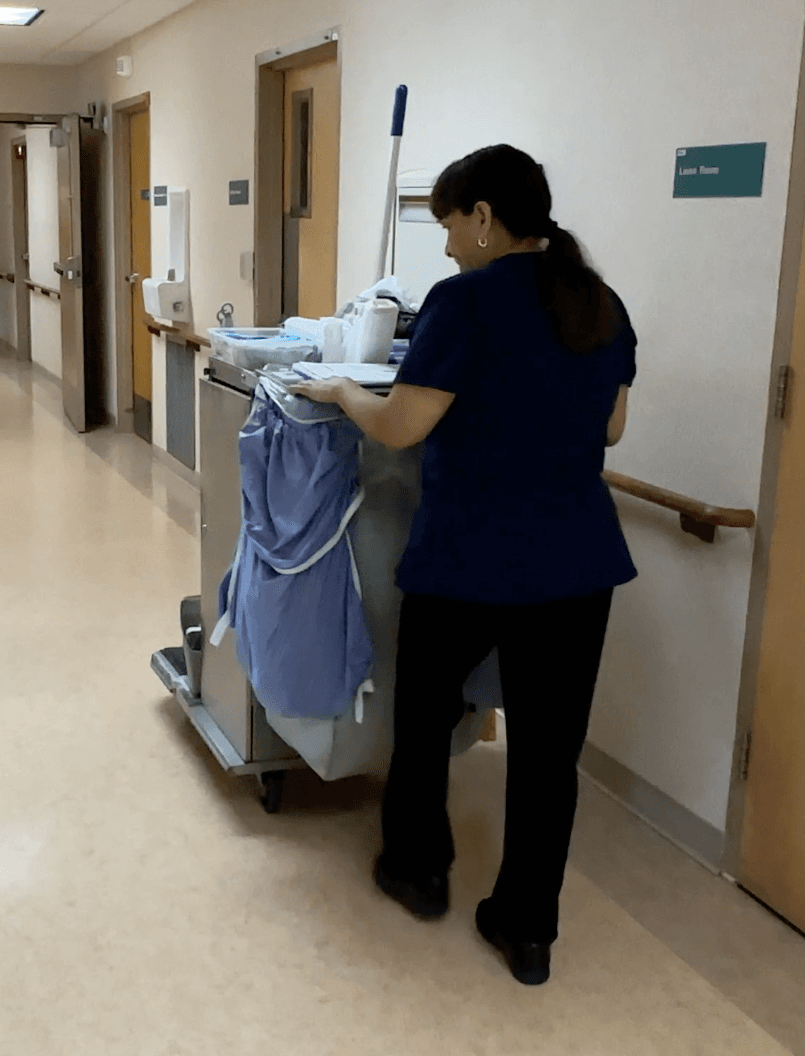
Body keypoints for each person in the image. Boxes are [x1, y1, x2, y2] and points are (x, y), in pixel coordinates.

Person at [290, 144, 637, 986]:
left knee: (423, 716)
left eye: (448, 223)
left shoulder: (466, 301)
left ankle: (417, 869)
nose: (445, 243)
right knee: (550, 756)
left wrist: (342, 393)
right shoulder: (600, 302)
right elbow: (614, 430)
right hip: (577, 563)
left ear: (484, 218)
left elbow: (403, 427)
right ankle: (528, 929)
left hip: (469, 556)